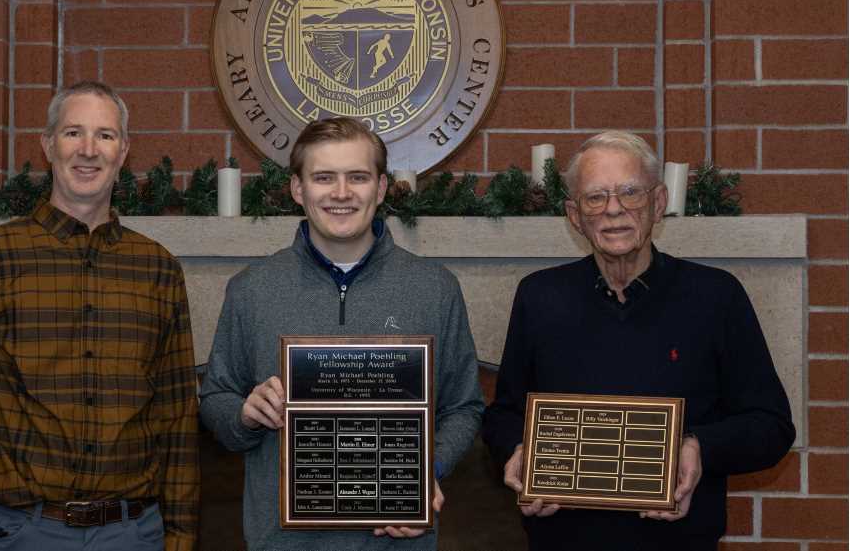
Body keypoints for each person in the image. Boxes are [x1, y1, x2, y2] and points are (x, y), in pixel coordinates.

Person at [483, 131, 795, 551]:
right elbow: (504, 414)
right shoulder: (539, 296)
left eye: (630, 192)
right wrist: (518, 451)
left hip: (678, 540)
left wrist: (699, 448)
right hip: (564, 540)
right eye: (595, 197)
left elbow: (771, 425)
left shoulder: (716, 296)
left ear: (659, 203)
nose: (614, 209)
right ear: (574, 216)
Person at [0, 81, 199, 551]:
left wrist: (180, 537)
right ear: (48, 144)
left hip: (131, 534)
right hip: (20, 532)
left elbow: (176, 416)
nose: (88, 150)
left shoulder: (158, 267)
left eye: (105, 136)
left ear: (124, 150)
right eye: (73, 133)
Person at [199, 117, 484, 551]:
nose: (341, 193)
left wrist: (429, 469)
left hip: (397, 542)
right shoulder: (251, 289)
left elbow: (463, 406)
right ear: (298, 189)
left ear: (382, 188)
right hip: (283, 543)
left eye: (358, 177)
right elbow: (216, 398)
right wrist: (244, 414)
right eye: (323, 178)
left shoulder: (435, 288)